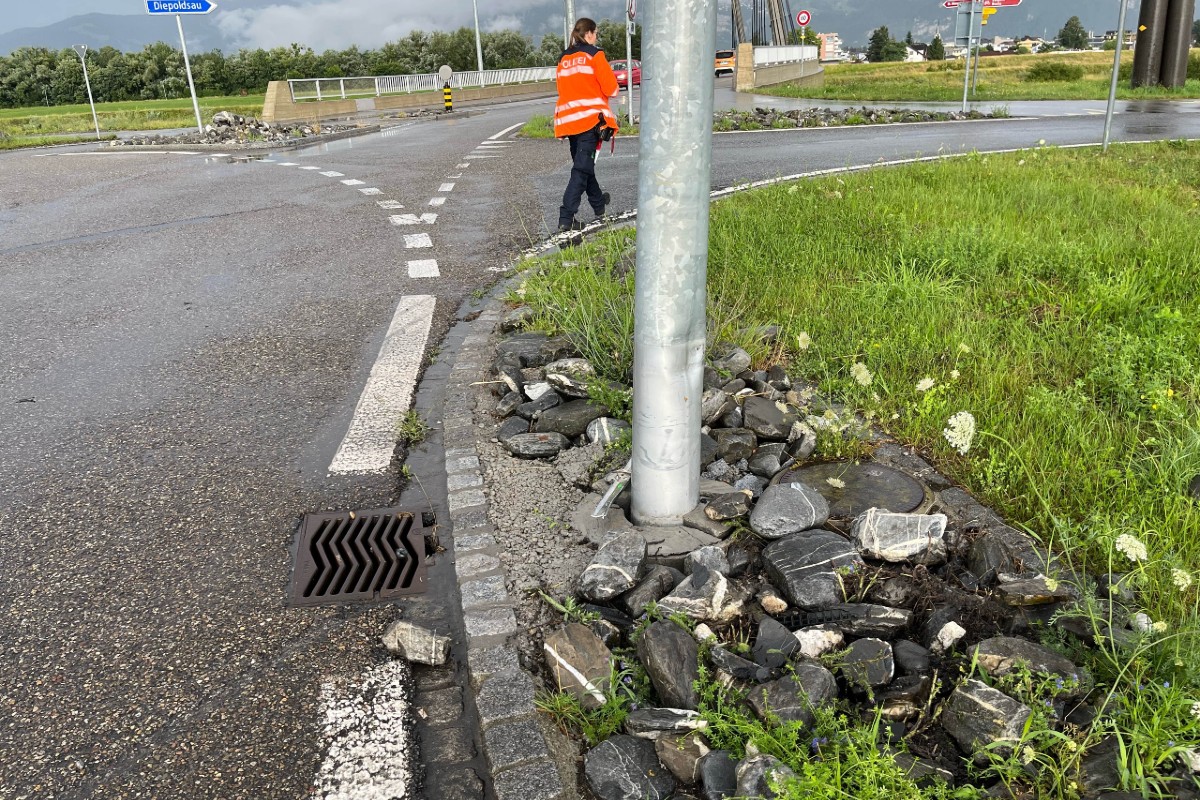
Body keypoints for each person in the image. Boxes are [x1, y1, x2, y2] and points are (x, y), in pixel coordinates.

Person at [553, 17, 620, 233]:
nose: (596, 37)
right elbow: (612, 89)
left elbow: (563, 91)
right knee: (581, 169)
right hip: (590, 121)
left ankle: (599, 205)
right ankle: (566, 217)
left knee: (584, 165)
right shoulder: (594, 54)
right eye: (596, 33)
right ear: (589, 33)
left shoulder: (563, 58)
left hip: (569, 122)